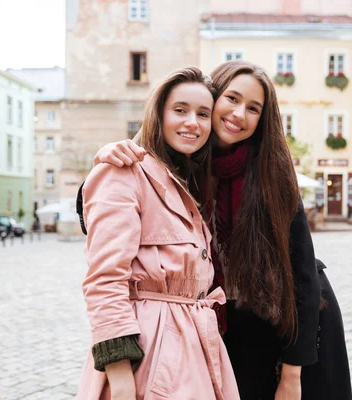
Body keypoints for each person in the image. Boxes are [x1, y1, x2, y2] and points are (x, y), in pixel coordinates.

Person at [87, 61, 352, 399]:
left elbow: (302, 276)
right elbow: (104, 212)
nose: (239, 114)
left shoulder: (273, 175)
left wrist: (292, 374)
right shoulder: (183, 162)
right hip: (219, 327)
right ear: (213, 100)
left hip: (288, 327)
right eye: (232, 99)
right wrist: (111, 155)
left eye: (253, 108)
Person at [77, 67, 239, 400]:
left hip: (196, 349)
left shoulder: (186, 180)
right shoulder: (124, 170)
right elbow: (104, 279)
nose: (192, 121)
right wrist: (119, 375)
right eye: (180, 110)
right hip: (150, 351)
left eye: (203, 114)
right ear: (159, 114)